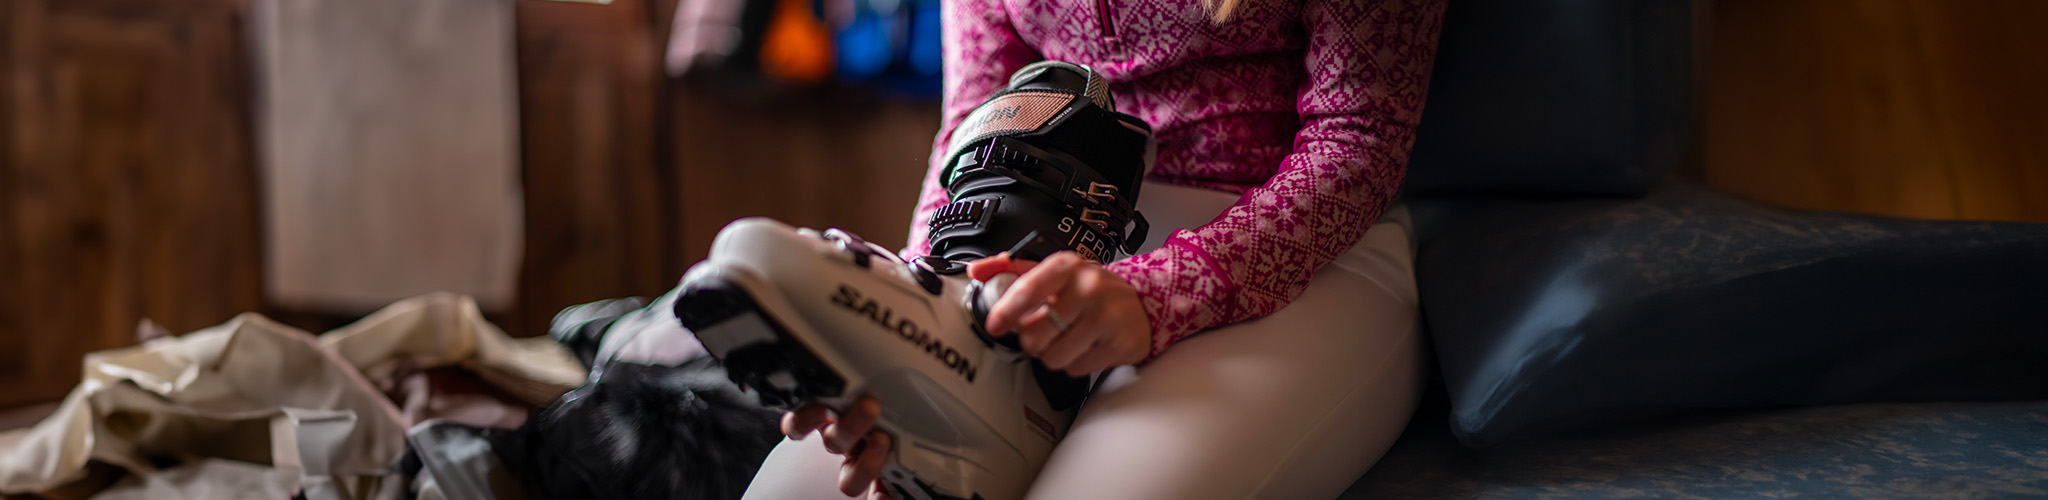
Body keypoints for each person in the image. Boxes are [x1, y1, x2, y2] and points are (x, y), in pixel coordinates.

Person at [744, 0, 1445, 498]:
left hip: (1303, 254)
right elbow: (973, 130)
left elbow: (1359, 139)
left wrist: (1157, 293)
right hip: (1056, 246)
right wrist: (930, 294)